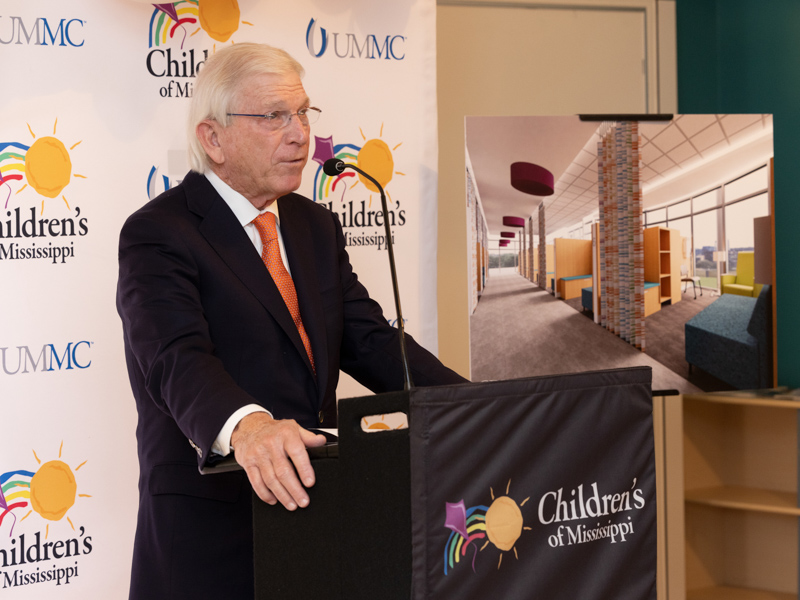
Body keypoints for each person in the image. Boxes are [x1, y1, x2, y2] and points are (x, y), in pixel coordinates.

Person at [116, 42, 466, 599]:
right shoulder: (158, 232)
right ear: (213, 138)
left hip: (313, 518)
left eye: (303, 112)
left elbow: (371, 341)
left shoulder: (314, 226)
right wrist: (250, 428)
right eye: (274, 116)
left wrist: (473, 408)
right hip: (211, 539)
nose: (300, 133)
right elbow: (175, 359)